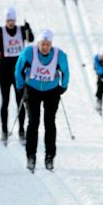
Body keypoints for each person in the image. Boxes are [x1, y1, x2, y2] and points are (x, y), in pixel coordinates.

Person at [15, 29, 70, 172]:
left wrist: (63, 87)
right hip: (32, 90)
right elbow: (18, 69)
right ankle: (31, 156)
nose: (45, 47)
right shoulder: (28, 53)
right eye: (42, 44)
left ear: (51, 44)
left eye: (48, 44)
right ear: (38, 43)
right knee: (33, 122)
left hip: (51, 91)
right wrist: (20, 86)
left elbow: (66, 72)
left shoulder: (59, 55)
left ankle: (49, 157)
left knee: (49, 122)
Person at [0, 7, 34, 144]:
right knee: (5, 100)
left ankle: (21, 131)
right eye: (8, 20)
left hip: (19, 71)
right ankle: (4, 131)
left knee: (21, 101)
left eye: (12, 20)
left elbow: (31, 38)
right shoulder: (0, 31)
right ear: (5, 20)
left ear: (15, 20)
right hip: (5, 71)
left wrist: (28, 29)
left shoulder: (20, 30)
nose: (10, 23)